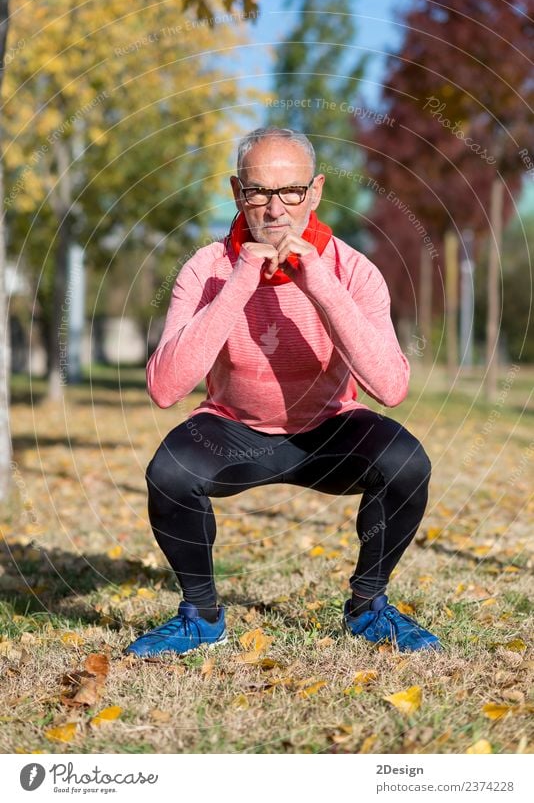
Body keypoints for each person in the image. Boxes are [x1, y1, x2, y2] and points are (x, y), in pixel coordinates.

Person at [125, 127, 441, 659]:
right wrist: (244, 275)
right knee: (169, 472)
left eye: (291, 191)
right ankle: (201, 616)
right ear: (236, 192)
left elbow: (390, 387)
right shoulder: (207, 269)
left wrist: (316, 280)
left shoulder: (351, 270)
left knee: (407, 464)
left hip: (328, 431)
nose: (275, 209)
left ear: (314, 193)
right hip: (234, 429)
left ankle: (368, 606)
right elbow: (164, 388)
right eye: (258, 192)